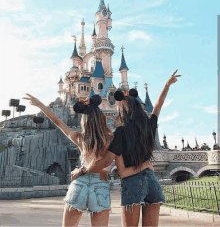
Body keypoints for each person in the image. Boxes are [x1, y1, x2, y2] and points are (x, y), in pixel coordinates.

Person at [23, 93, 154, 227]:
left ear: (84, 121)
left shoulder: (80, 138)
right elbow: (110, 163)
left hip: (79, 183)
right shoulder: (112, 139)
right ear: (102, 119)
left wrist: (40, 105)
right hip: (100, 185)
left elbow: (58, 122)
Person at [77, 70, 181, 227]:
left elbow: (107, 162)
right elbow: (158, 106)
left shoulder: (121, 131)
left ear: (122, 109)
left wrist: (84, 168)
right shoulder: (149, 124)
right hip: (152, 181)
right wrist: (167, 85)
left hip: (132, 183)